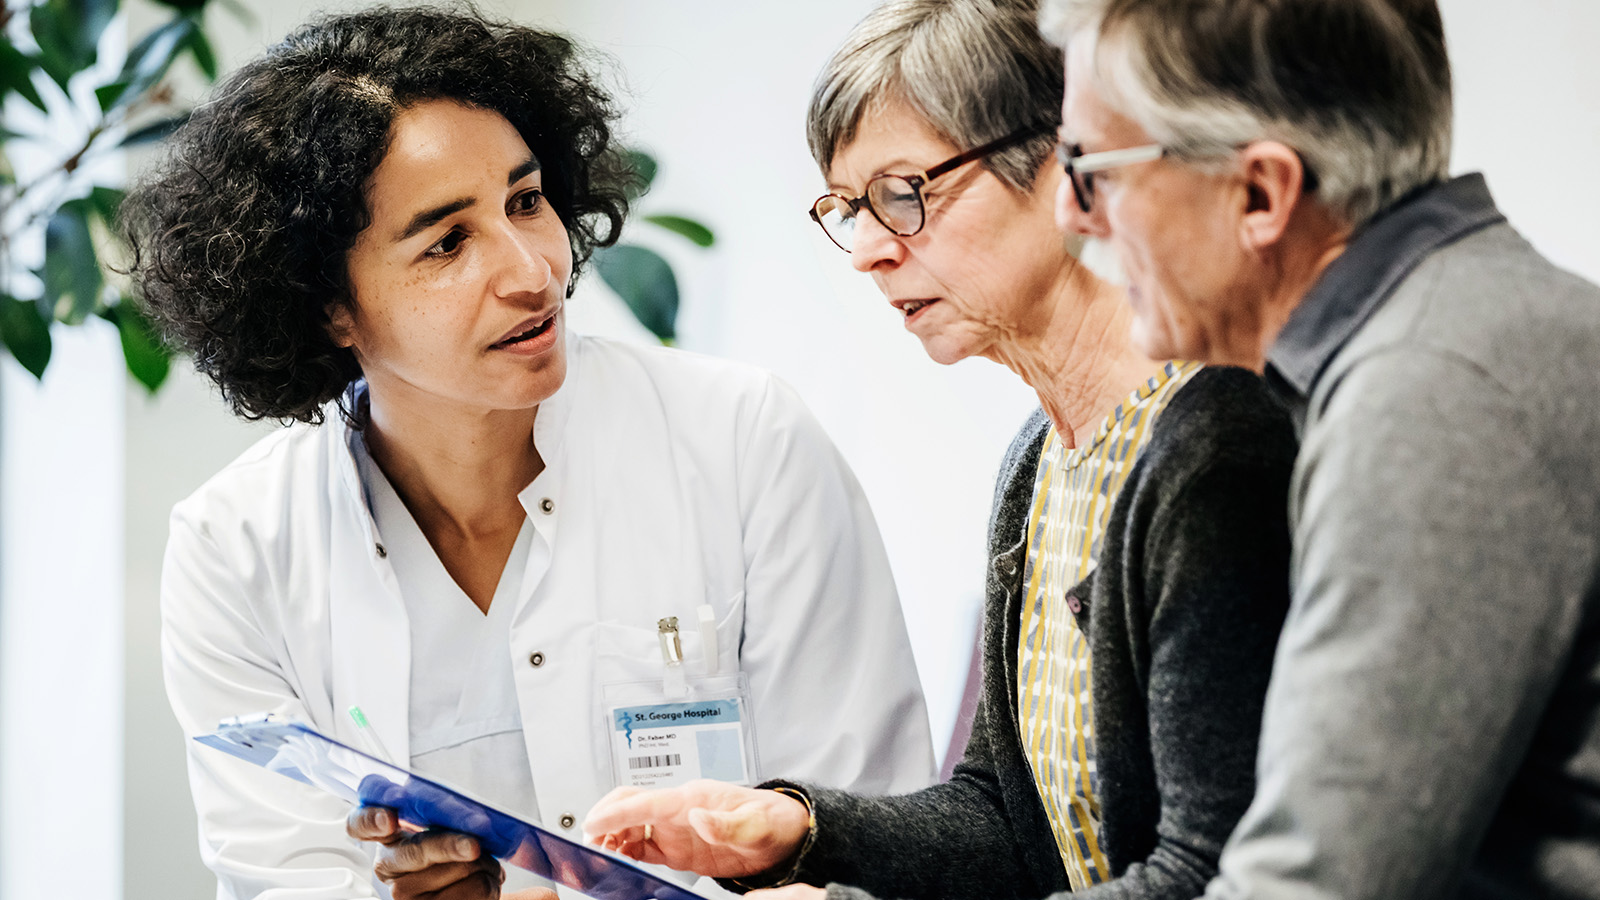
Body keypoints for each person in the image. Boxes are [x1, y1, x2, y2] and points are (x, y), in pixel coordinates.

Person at [121, 8, 936, 900]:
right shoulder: (235, 550)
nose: (531, 270)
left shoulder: (745, 442)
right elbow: (283, 878)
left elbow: (873, 828)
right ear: (327, 308)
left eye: (525, 201)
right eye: (447, 242)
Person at [575, 2, 1298, 900]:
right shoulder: (1039, 459)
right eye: (850, 209)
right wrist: (801, 826)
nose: (869, 252)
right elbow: (1002, 814)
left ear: (1059, 163)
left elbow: (1215, 872)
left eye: (903, 192)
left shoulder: (1211, 445)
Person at [1038, 0, 1600, 897]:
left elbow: (1313, 884)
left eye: (1089, 167)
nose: (1071, 213)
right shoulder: (1457, 331)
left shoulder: (1427, 396)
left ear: (1260, 193)